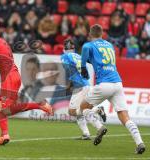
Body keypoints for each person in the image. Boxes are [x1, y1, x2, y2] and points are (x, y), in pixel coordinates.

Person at [80, 24, 145, 154]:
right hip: (117, 83)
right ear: (102, 33)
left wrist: (83, 67)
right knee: (124, 116)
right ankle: (139, 143)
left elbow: (86, 48)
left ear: (90, 34)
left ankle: (99, 127)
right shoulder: (109, 45)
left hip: (104, 84)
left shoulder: (89, 45)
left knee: (84, 107)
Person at [61, 38, 106, 140]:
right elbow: (83, 71)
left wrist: (69, 85)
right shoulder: (79, 56)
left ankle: (97, 110)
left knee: (72, 111)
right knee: (81, 110)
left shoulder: (65, 57)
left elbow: (70, 71)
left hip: (79, 86)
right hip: (86, 84)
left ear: (64, 48)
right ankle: (86, 134)